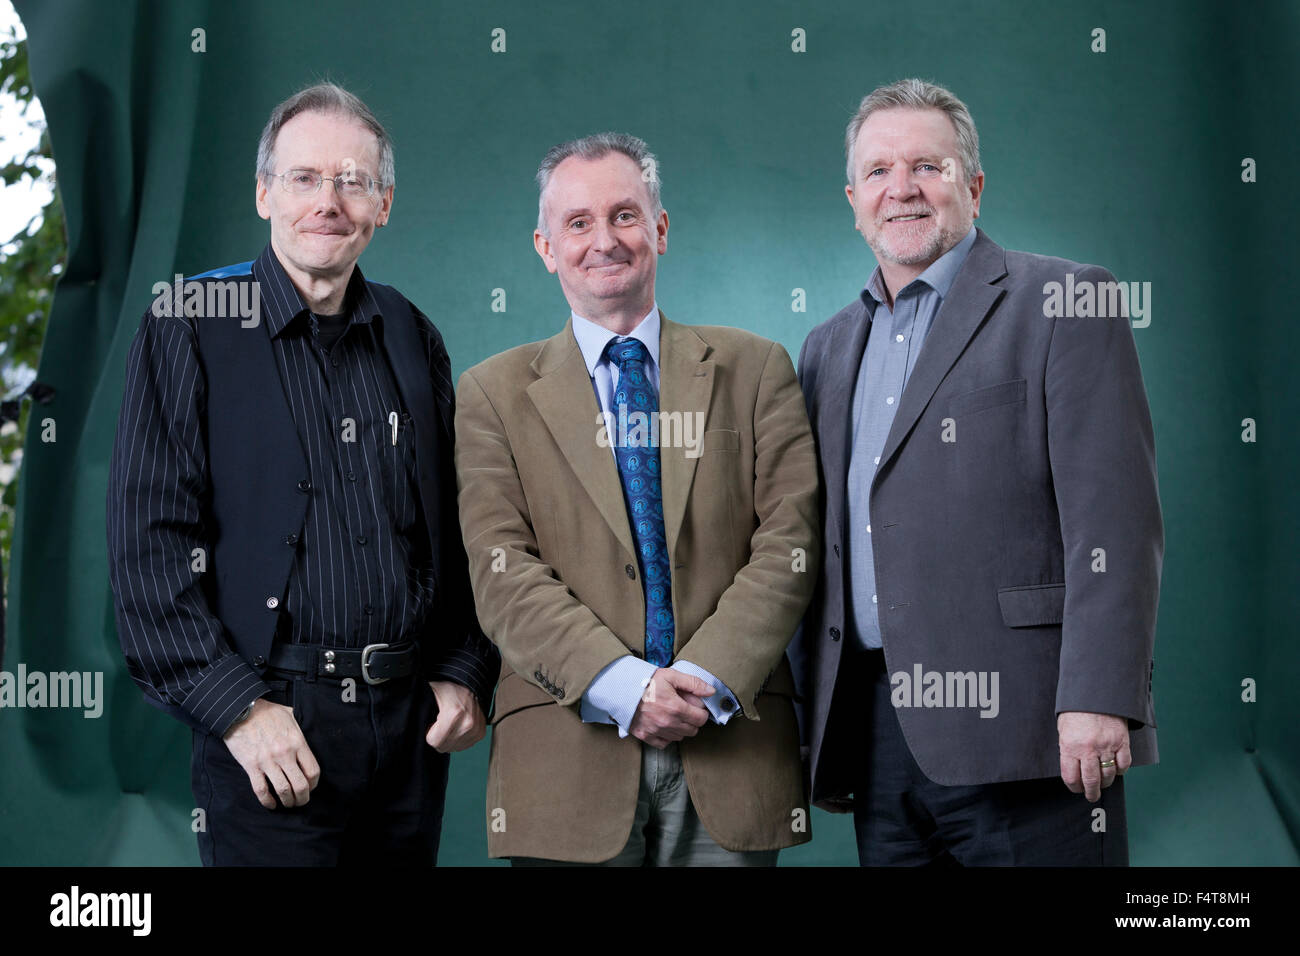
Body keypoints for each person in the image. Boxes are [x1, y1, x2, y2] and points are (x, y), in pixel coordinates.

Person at [106, 82, 496, 866]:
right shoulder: (187, 322)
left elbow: (459, 527)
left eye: (353, 181)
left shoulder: (412, 335)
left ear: (383, 204)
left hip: (407, 728)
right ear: (264, 194)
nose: (330, 200)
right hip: (269, 724)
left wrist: (464, 668)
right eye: (305, 178)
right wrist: (239, 712)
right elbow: (148, 549)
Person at [794, 78, 1163, 866]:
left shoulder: (1066, 301)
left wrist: (1099, 698)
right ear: (854, 197)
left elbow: (1117, 525)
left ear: (975, 185)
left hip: (1033, 726)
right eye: (881, 172)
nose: (903, 189)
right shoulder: (826, 348)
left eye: (928, 166)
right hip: (876, 734)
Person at [454, 132, 820, 865]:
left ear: (660, 228)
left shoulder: (755, 369)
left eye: (625, 215)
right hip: (564, 761)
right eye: (578, 222)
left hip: (731, 746)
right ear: (545, 246)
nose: (604, 240)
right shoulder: (491, 394)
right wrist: (624, 686)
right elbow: (503, 575)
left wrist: (701, 680)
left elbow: (791, 541)